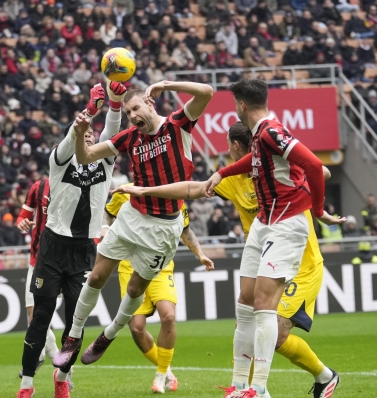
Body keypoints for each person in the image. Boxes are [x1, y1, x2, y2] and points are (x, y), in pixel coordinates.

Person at [113, 121, 340, 398]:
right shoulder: (231, 179)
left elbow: (321, 170)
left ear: (235, 146)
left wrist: (308, 183)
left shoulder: (278, 166)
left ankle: (314, 378)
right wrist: (145, 190)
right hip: (262, 259)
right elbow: (191, 189)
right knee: (249, 323)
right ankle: (245, 387)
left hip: (301, 265)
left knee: (275, 334)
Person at [54, 80, 213, 373]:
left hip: (164, 228)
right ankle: (73, 337)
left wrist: (166, 84)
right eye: (127, 113)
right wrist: (79, 133)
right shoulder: (129, 138)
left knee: (137, 288)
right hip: (132, 217)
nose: (132, 116)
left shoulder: (177, 125)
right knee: (98, 275)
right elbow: (85, 156)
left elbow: (207, 92)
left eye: (136, 108)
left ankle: (108, 336)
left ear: (149, 103)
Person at [202, 80, 344, 398]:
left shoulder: (271, 131)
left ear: (240, 105)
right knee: (246, 302)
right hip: (265, 224)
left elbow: (314, 164)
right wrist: (222, 173)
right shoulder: (260, 136)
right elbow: (253, 162)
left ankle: (259, 389)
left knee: (265, 306)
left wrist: (318, 210)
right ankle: (239, 385)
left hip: (286, 224)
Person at [17, 80, 127, 398]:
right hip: (53, 246)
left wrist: (115, 105)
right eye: (85, 135)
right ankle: (26, 384)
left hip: (83, 250)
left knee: (74, 325)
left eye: (94, 137)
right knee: (40, 318)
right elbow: (71, 139)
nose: (91, 139)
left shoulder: (105, 164)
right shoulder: (60, 162)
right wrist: (87, 115)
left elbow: (111, 133)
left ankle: (62, 374)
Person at [102, 183, 213, 393]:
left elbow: (186, 230)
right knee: (136, 328)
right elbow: (107, 214)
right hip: (129, 266)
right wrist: (105, 229)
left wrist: (200, 254)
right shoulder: (125, 192)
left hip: (160, 265)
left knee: (168, 317)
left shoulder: (174, 194)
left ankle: (160, 375)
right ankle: (168, 371)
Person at [15, 177, 61, 383]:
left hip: (63, 264)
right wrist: (22, 222)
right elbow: (22, 217)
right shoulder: (39, 187)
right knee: (34, 316)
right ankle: (59, 365)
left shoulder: (78, 183)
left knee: (43, 318)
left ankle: (48, 359)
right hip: (36, 261)